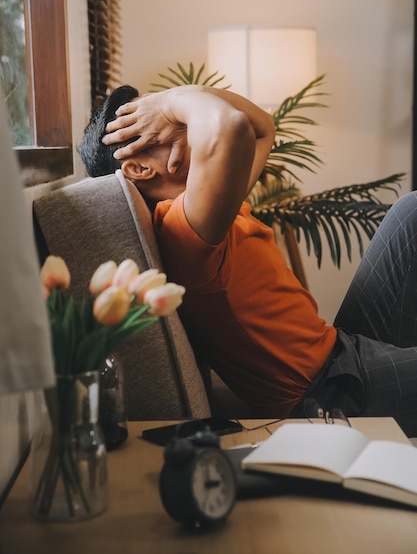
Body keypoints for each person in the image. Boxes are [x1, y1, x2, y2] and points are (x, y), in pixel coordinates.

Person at [79, 84, 417, 436]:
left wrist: (174, 100)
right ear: (139, 169)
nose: (177, 122)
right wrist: (170, 102)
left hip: (340, 349)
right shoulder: (184, 228)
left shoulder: (207, 213)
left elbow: (262, 128)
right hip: (328, 392)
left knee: (410, 213)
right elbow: (233, 127)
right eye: (156, 126)